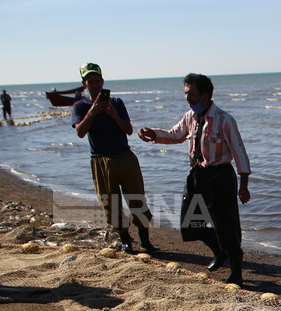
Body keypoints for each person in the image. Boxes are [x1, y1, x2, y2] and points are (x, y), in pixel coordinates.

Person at [138, 73, 251, 286]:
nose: (187, 98)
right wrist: (152, 133)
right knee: (190, 224)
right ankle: (220, 252)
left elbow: (240, 153)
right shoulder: (190, 117)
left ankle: (236, 273)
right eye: (186, 93)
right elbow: (175, 135)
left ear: (206, 95)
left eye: (191, 94)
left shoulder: (224, 120)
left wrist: (244, 186)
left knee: (226, 226)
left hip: (220, 176)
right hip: (198, 176)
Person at [71, 63, 157, 254]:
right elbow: (80, 132)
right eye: (90, 81)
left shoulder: (116, 103)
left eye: (97, 81)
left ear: (103, 82)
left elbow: (128, 130)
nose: (95, 85)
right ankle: (126, 240)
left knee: (137, 199)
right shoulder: (81, 106)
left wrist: (113, 115)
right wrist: (93, 111)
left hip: (124, 157)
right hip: (100, 161)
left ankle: (146, 241)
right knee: (111, 204)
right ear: (84, 84)